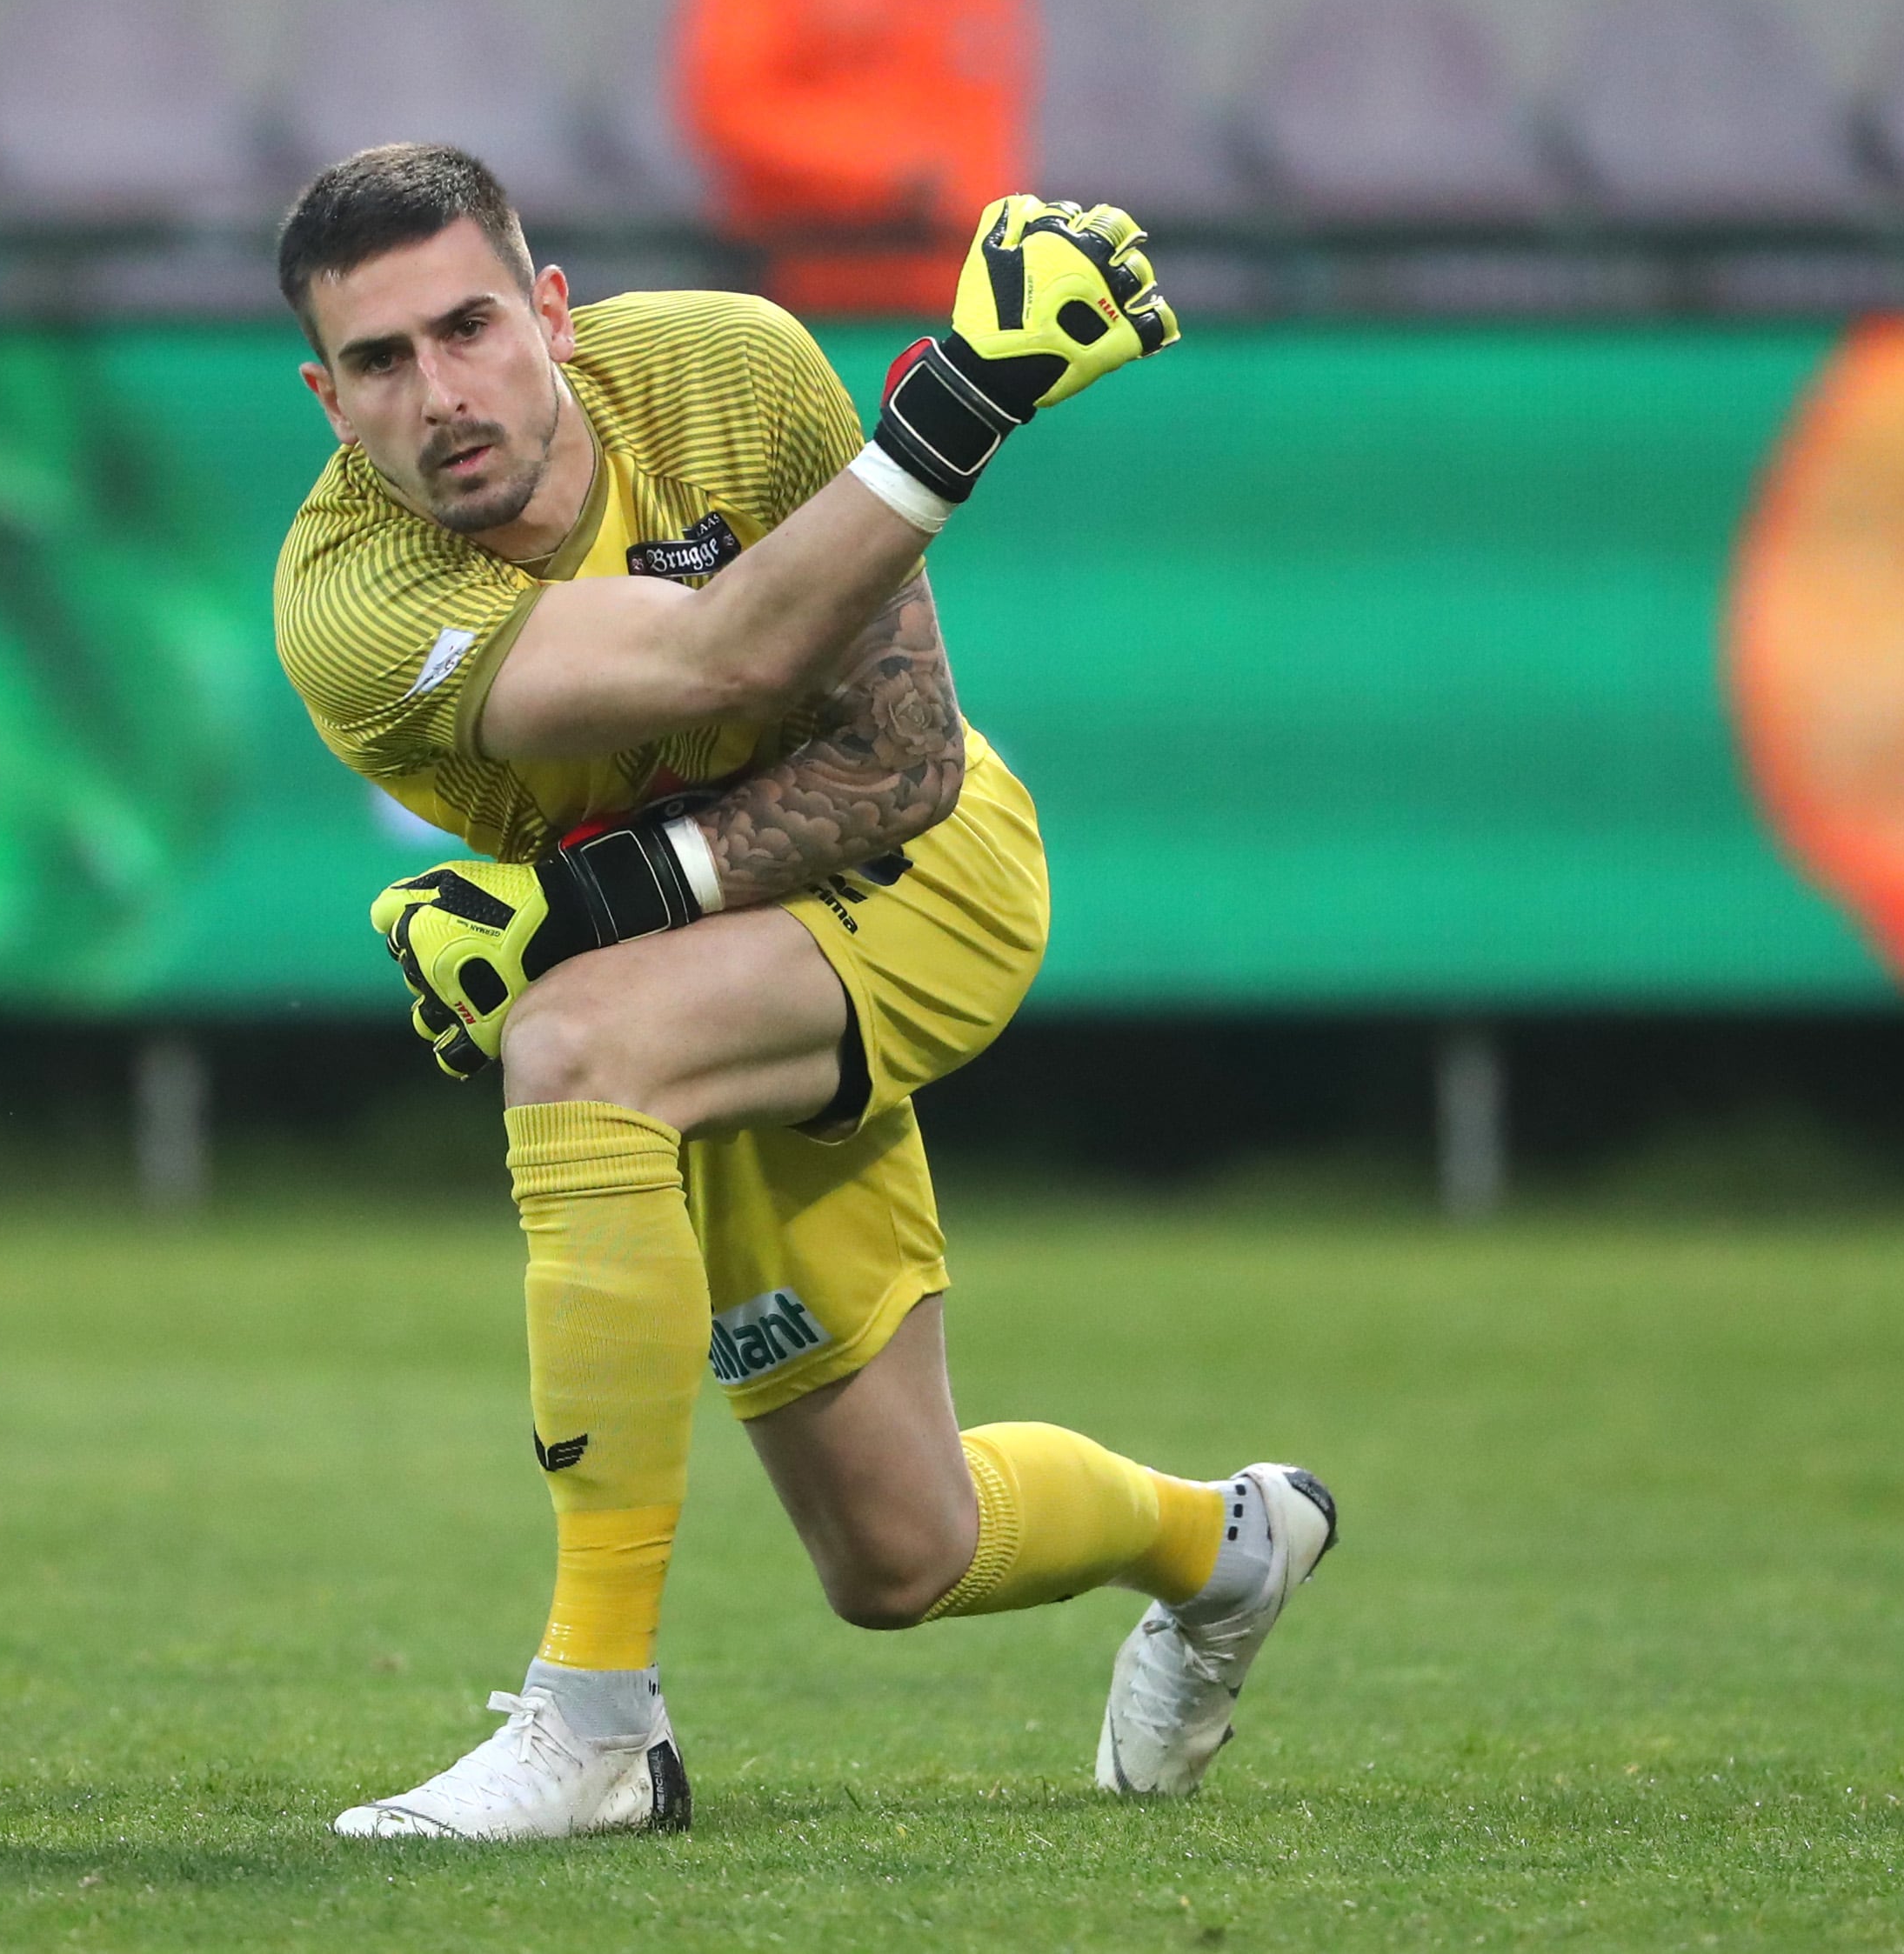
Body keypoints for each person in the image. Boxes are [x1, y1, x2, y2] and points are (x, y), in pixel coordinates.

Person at [269, 142, 1333, 1840]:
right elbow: (712, 659)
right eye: (380, 362)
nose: (438, 392)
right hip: (714, 952)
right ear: (327, 399)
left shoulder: (726, 367)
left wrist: (570, 909)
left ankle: (596, 1720)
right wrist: (959, 405)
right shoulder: (349, 605)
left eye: (467, 326)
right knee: (898, 1551)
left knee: (570, 1043)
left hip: (932, 877)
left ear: (549, 310)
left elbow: (900, 757)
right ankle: (1224, 1542)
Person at [677, 0, 1034, 314]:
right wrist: (887, 172)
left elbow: (992, 106)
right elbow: (728, 107)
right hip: (806, 299)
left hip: (959, 298)